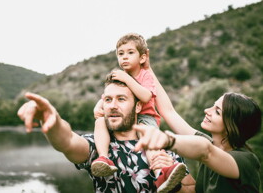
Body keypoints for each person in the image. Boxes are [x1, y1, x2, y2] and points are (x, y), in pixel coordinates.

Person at [17, 75, 196, 192]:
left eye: (121, 99)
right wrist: (52, 119)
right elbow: (68, 141)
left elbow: (191, 189)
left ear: (138, 105)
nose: (112, 105)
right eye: (108, 100)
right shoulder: (98, 145)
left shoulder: (161, 144)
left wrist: (174, 185)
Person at [133, 50, 262, 192]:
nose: (207, 110)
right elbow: (168, 111)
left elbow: (206, 152)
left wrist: (167, 140)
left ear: (232, 125)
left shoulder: (246, 161)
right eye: (213, 106)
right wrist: (147, 70)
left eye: (217, 111)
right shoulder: (211, 145)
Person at [91, 33, 186, 192]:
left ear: (142, 58)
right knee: (100, 121)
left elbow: (146, 96)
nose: (125, 57)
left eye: (130, 53)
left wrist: (127, 79)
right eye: (120, 54)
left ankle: (161, 173)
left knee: (150, 143)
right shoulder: (122, 77)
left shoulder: (144, 75)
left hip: (146, 118)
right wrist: (99, 104)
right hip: (126, 117)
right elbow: (111, 92)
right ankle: (103, 158)